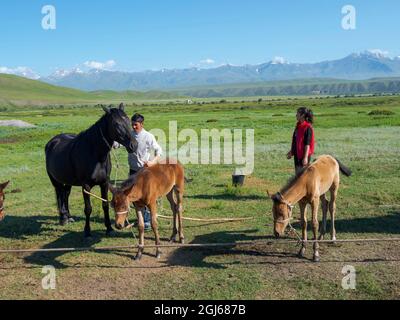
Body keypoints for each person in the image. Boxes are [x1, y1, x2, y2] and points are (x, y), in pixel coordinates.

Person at [128, 113, 162, 230]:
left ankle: (147, 220)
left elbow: (159, 151)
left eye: (135, 125)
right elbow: (116, 144)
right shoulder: (129, 135)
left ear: (142, 124)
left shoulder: (148, 136)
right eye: (132, 124)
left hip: (145, 171)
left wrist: (152, 162)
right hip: (133, 171)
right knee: (132, 195)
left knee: (147, 196)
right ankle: (140, 219)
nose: (133, 127)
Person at [287, 107, 315, 175]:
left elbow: (307, 144)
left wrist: (305, 158)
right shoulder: (298, 126)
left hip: (303, 155)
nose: (296, 115)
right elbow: (295, 141)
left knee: (303, 176)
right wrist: (291, 151)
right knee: (298, 175)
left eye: (298, 113)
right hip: (297, 155)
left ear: (302, 115)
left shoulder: (307, 127)